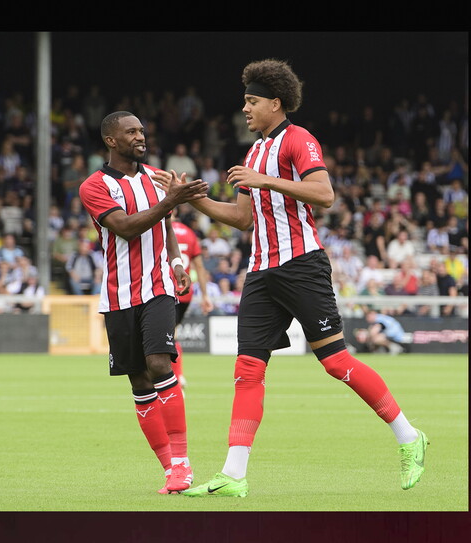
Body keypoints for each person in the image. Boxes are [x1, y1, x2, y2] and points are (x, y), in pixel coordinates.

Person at [152, 59, 428, 497]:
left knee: (336, 363)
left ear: (275, 103)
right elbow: (242, 218)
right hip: (261, 272)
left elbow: (325, 194)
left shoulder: (299, 140)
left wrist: (266, 180)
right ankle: (234, 474)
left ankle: (410, 436)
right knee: (247, 370)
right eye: (245, 100)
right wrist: (192, 201)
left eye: (251, 101)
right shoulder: (253, 152)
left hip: (302, 265)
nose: (244, 108)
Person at [78, 110, 209, 495]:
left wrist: (177, 261)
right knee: (138, 381)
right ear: (111, 140)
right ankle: (169, 468)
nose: (140, 136)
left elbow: (166, 224)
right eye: (131, 131)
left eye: (142, 130)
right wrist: (170, 199)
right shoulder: (94, 186)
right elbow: (126, 226)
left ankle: (183, 463)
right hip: (118, 295)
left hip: (158, 287)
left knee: (157, 363)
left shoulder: (156, 177)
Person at [171, 210, 214, 388]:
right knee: (171, 332)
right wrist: (204, 295)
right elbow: (199, 267)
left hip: (165, 290)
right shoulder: (189, 233)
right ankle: (176, 375)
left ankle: (176, 376)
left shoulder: (159, 228)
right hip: (186, 293)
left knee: (167, 336)